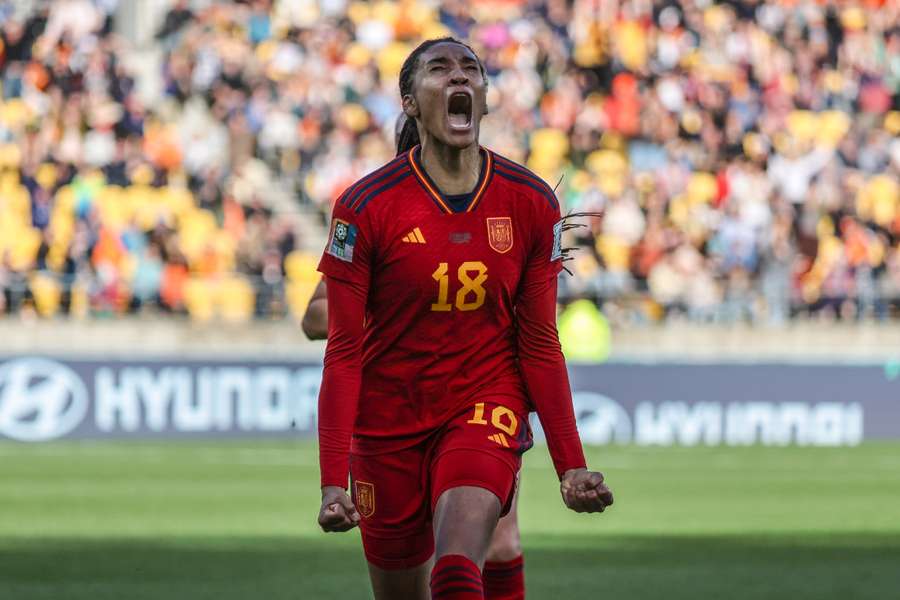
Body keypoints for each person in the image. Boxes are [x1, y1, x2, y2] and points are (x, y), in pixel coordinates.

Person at [315, 37, 613, 600]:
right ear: (409, 101)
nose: (459, 77)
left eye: (470, 69)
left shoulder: (529, 201)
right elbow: (344, 351)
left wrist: (571, 465)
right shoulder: (367, 205)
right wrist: (333, 481)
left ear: (482, 95)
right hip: (389, 420)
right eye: (439, 68)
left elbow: (541, 343)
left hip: (485, 403)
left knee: (458, 567)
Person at [304, 278, 528, 599]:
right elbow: (313, 317)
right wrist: (397, 314)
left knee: (500, 542)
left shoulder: (499, 233)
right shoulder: (384, 234)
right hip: (397, 407)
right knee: (413, 574)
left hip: (478, 398)